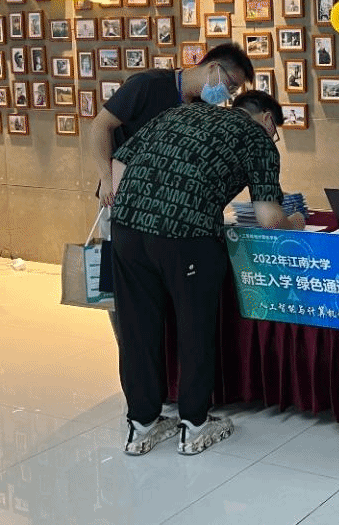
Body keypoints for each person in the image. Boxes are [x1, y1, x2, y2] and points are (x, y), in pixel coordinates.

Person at [110, 90, 304, 456]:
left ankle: (141, 424)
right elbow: (269, 218)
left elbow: (119, 164)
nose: (273, 136)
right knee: (194, 327)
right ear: (267, 118)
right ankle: (195, 425)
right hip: (188, 238)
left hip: (126, 228)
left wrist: (144, 208)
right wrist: (295, 222)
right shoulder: (257, 138)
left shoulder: (178, 114)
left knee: (137, 327)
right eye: (275, 130)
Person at [88, 42, 255, 344]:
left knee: (162, 291)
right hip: (124, 202)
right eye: (230, 85)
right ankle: (130, 353)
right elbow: (100, 126)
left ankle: (162, 361)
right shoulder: (148, 85)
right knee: (123, 291)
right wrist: (106, 178)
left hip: (169, 214)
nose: (228, 95)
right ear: (213, 68)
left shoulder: (201, 107)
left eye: (234, 92)